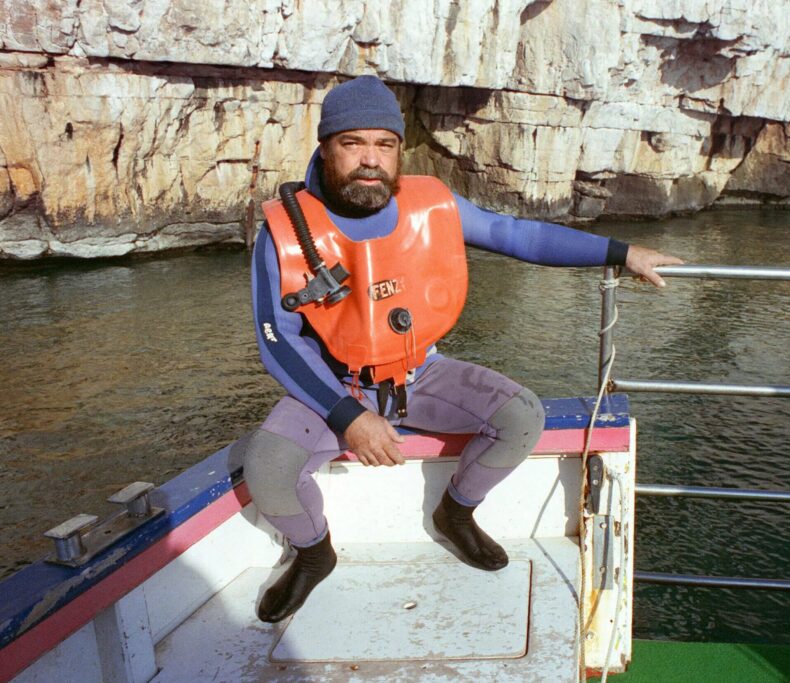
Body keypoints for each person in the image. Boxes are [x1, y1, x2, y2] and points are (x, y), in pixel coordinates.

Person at [246, 75, 681, 623]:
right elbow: (278, 342)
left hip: (418, 370)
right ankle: (313, 554)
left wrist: (621, 252)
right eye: (352, 143)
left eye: (384, 144)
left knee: (523, 416)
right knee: (266, 468)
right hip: (334, 385)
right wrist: (348, 416)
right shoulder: (284, 230)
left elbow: (517, 235)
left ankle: (457, 513)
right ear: (326, 147)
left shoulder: (433, 204)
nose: (370, 159)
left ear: (399, 150)